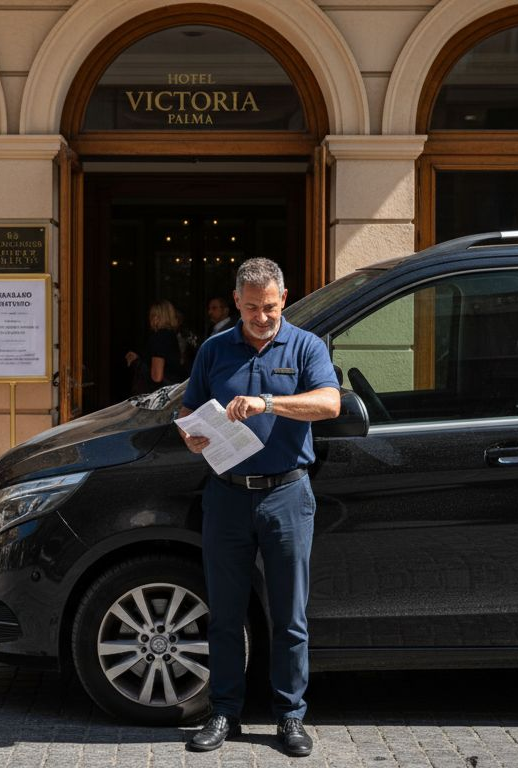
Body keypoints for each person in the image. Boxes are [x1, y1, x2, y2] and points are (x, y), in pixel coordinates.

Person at [177, 258, 340, 757]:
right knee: (225, 614)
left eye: (269, 307)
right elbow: (188, 408)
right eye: (251, 308)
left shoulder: (306, 346)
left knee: (289, 615)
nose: (261, 317)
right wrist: (194, 436)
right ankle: (224, 711)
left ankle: (290, 716)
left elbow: (330, 403)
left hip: (286, 494)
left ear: (284, 299)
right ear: (236, 302)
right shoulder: (214, 349)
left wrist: (268, 403)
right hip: (226, 494)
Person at [125, 299, 188, 394]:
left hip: (159, 397)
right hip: (174, 393)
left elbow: (157, 376)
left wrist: (136, 362)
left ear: (156, 317)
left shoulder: (159, 337)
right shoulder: (172, 335)